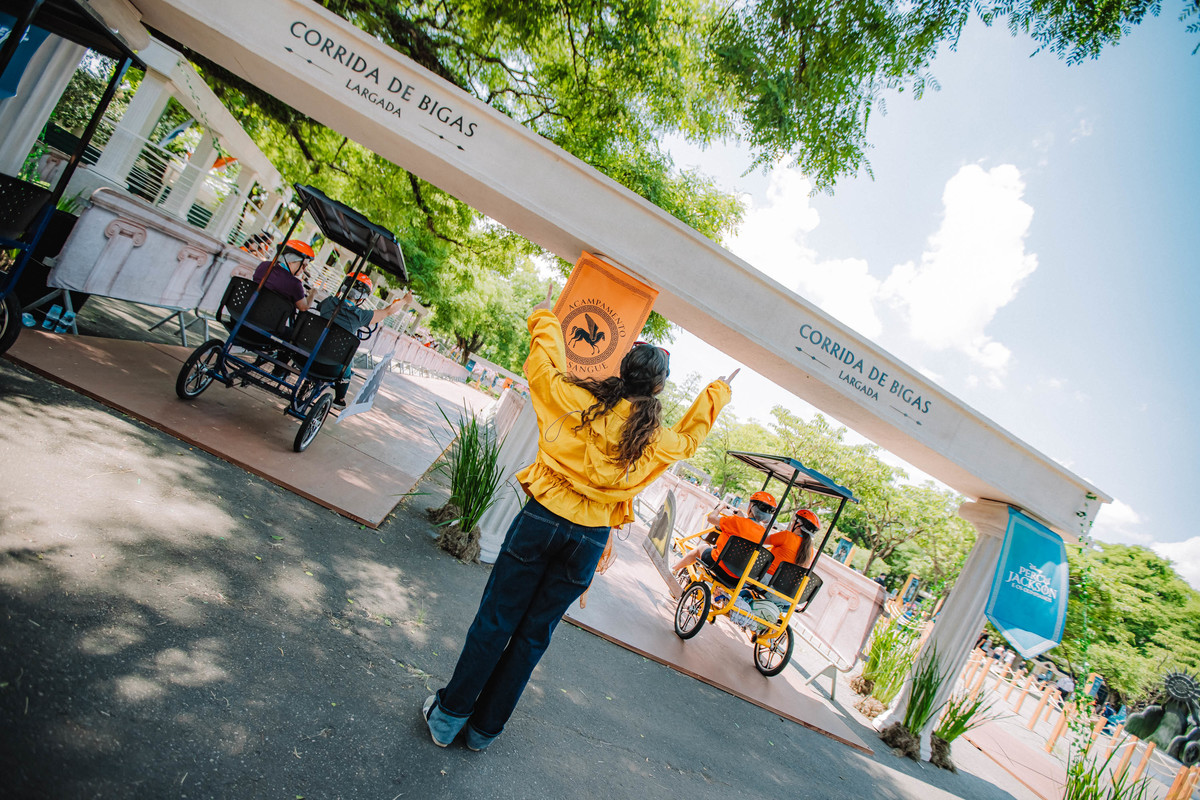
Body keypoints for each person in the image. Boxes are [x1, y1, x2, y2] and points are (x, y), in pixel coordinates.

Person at [422, 283, 736, 752]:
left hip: (541, 520)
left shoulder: (576, 401)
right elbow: (689, 440)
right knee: (533, 636)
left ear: (622, 370)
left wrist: (545, 317)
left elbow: (542, 369)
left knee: (496, 620)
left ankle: (449, 719)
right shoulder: (655, 439)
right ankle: (484, 733)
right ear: (658, 388)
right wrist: (717, 392)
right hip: (588, 540)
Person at [315, 272, 409, 406]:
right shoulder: (360, 316)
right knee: (347, 364)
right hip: (333, 367)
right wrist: (404, 300)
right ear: (362, 298)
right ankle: (339, 400)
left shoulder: (329, 302)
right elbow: (388, 311)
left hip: (305, 353)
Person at [671, 491, 777, 582]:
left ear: (751, 507)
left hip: (718, 565)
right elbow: (749, 530)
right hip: (738, 578)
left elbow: (711, 518)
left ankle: (674, 569)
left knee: (701, 548)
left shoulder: (736, 521)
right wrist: (743, 518)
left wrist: (720, 507)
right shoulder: (764, 534)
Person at [251, 239, 317, 314]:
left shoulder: (264, 265)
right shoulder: (295, 283)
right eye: (303, 265)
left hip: (248, 310)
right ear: (291, 261)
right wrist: (313, 293)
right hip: (269, 319)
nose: (304, 269)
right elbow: (304, 307)